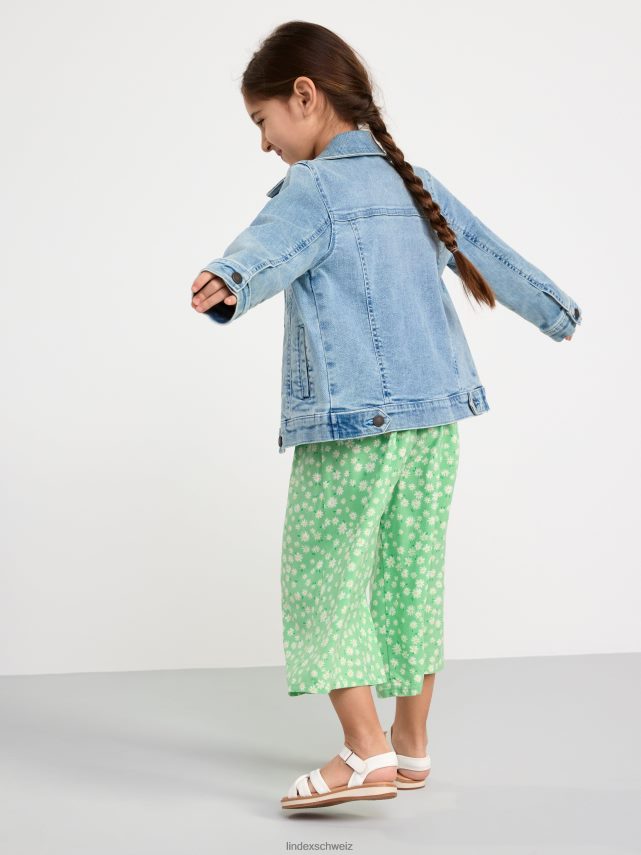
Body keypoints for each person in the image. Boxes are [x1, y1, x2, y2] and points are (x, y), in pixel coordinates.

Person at [190, 21, 582, 810]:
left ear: (305, 95)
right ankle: (409, 745)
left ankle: (363, 751)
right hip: (435, 421)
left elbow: (267, 248)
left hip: (353, 424)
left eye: (263, 120)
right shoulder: (413, 181)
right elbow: (490, 255)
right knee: (410, 577)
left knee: (322, 580)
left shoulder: (315, 188)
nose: (264, 143)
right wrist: (557, 311)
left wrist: (227, 276)